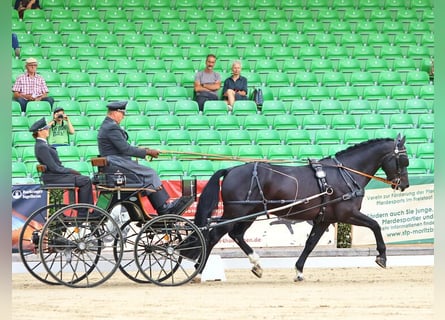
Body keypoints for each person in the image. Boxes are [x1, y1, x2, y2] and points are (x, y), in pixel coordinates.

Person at [97, 101, 193, 215]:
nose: (123, 117)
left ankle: (163, 207)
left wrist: (144, 150)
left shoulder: (107, 125)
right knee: (150, 173)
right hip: (117, 163)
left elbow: (122, 147)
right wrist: (147, 152)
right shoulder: (112, 127)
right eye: (122, 114)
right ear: (115, 113)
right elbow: (126, 149)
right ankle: (163, 208)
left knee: (148, 173)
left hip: (115, 162)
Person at [30, 117, 93, 210]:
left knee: (83, 179)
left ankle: (83, 209)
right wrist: (71, 171)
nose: (48, 129)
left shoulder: (42, 144)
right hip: (54, 177)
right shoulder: (42, 146)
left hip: (54, 176)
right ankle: (83, 212)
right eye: (46, 128)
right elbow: (54, 168)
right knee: (85, 180)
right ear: (40, 131)